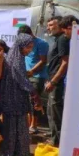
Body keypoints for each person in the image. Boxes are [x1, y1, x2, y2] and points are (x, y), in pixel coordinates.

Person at [0, 34, 38, 156]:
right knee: (14, 128)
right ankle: (12, 154)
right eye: (28, 47)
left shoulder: (16, 56)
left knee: (17, 127)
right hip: (13, 100)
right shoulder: (16, 59)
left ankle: (15, 153)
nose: (30, 50)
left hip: (16, 99)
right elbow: (21, 79)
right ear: (21, 46)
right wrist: (33, 92)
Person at [18, 26, 48, 135]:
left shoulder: (41, 43)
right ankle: (27, 123)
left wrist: (31, 71)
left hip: (37, 76)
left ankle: (34, 125)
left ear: (31, 33)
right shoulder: (24, 43)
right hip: (25, 75)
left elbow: (43, 61)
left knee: (34, 100)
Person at [45, 16, 70, 146]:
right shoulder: (57, 39)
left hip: (57, 83)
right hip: (52, 80)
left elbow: (65, 62)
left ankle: (58, 143)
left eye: (51, 25)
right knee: (51, 112)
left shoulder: (62, 40)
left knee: (56, 113)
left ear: (59, 25)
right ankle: (53, 138)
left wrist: (54, 81)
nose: (48, 27)